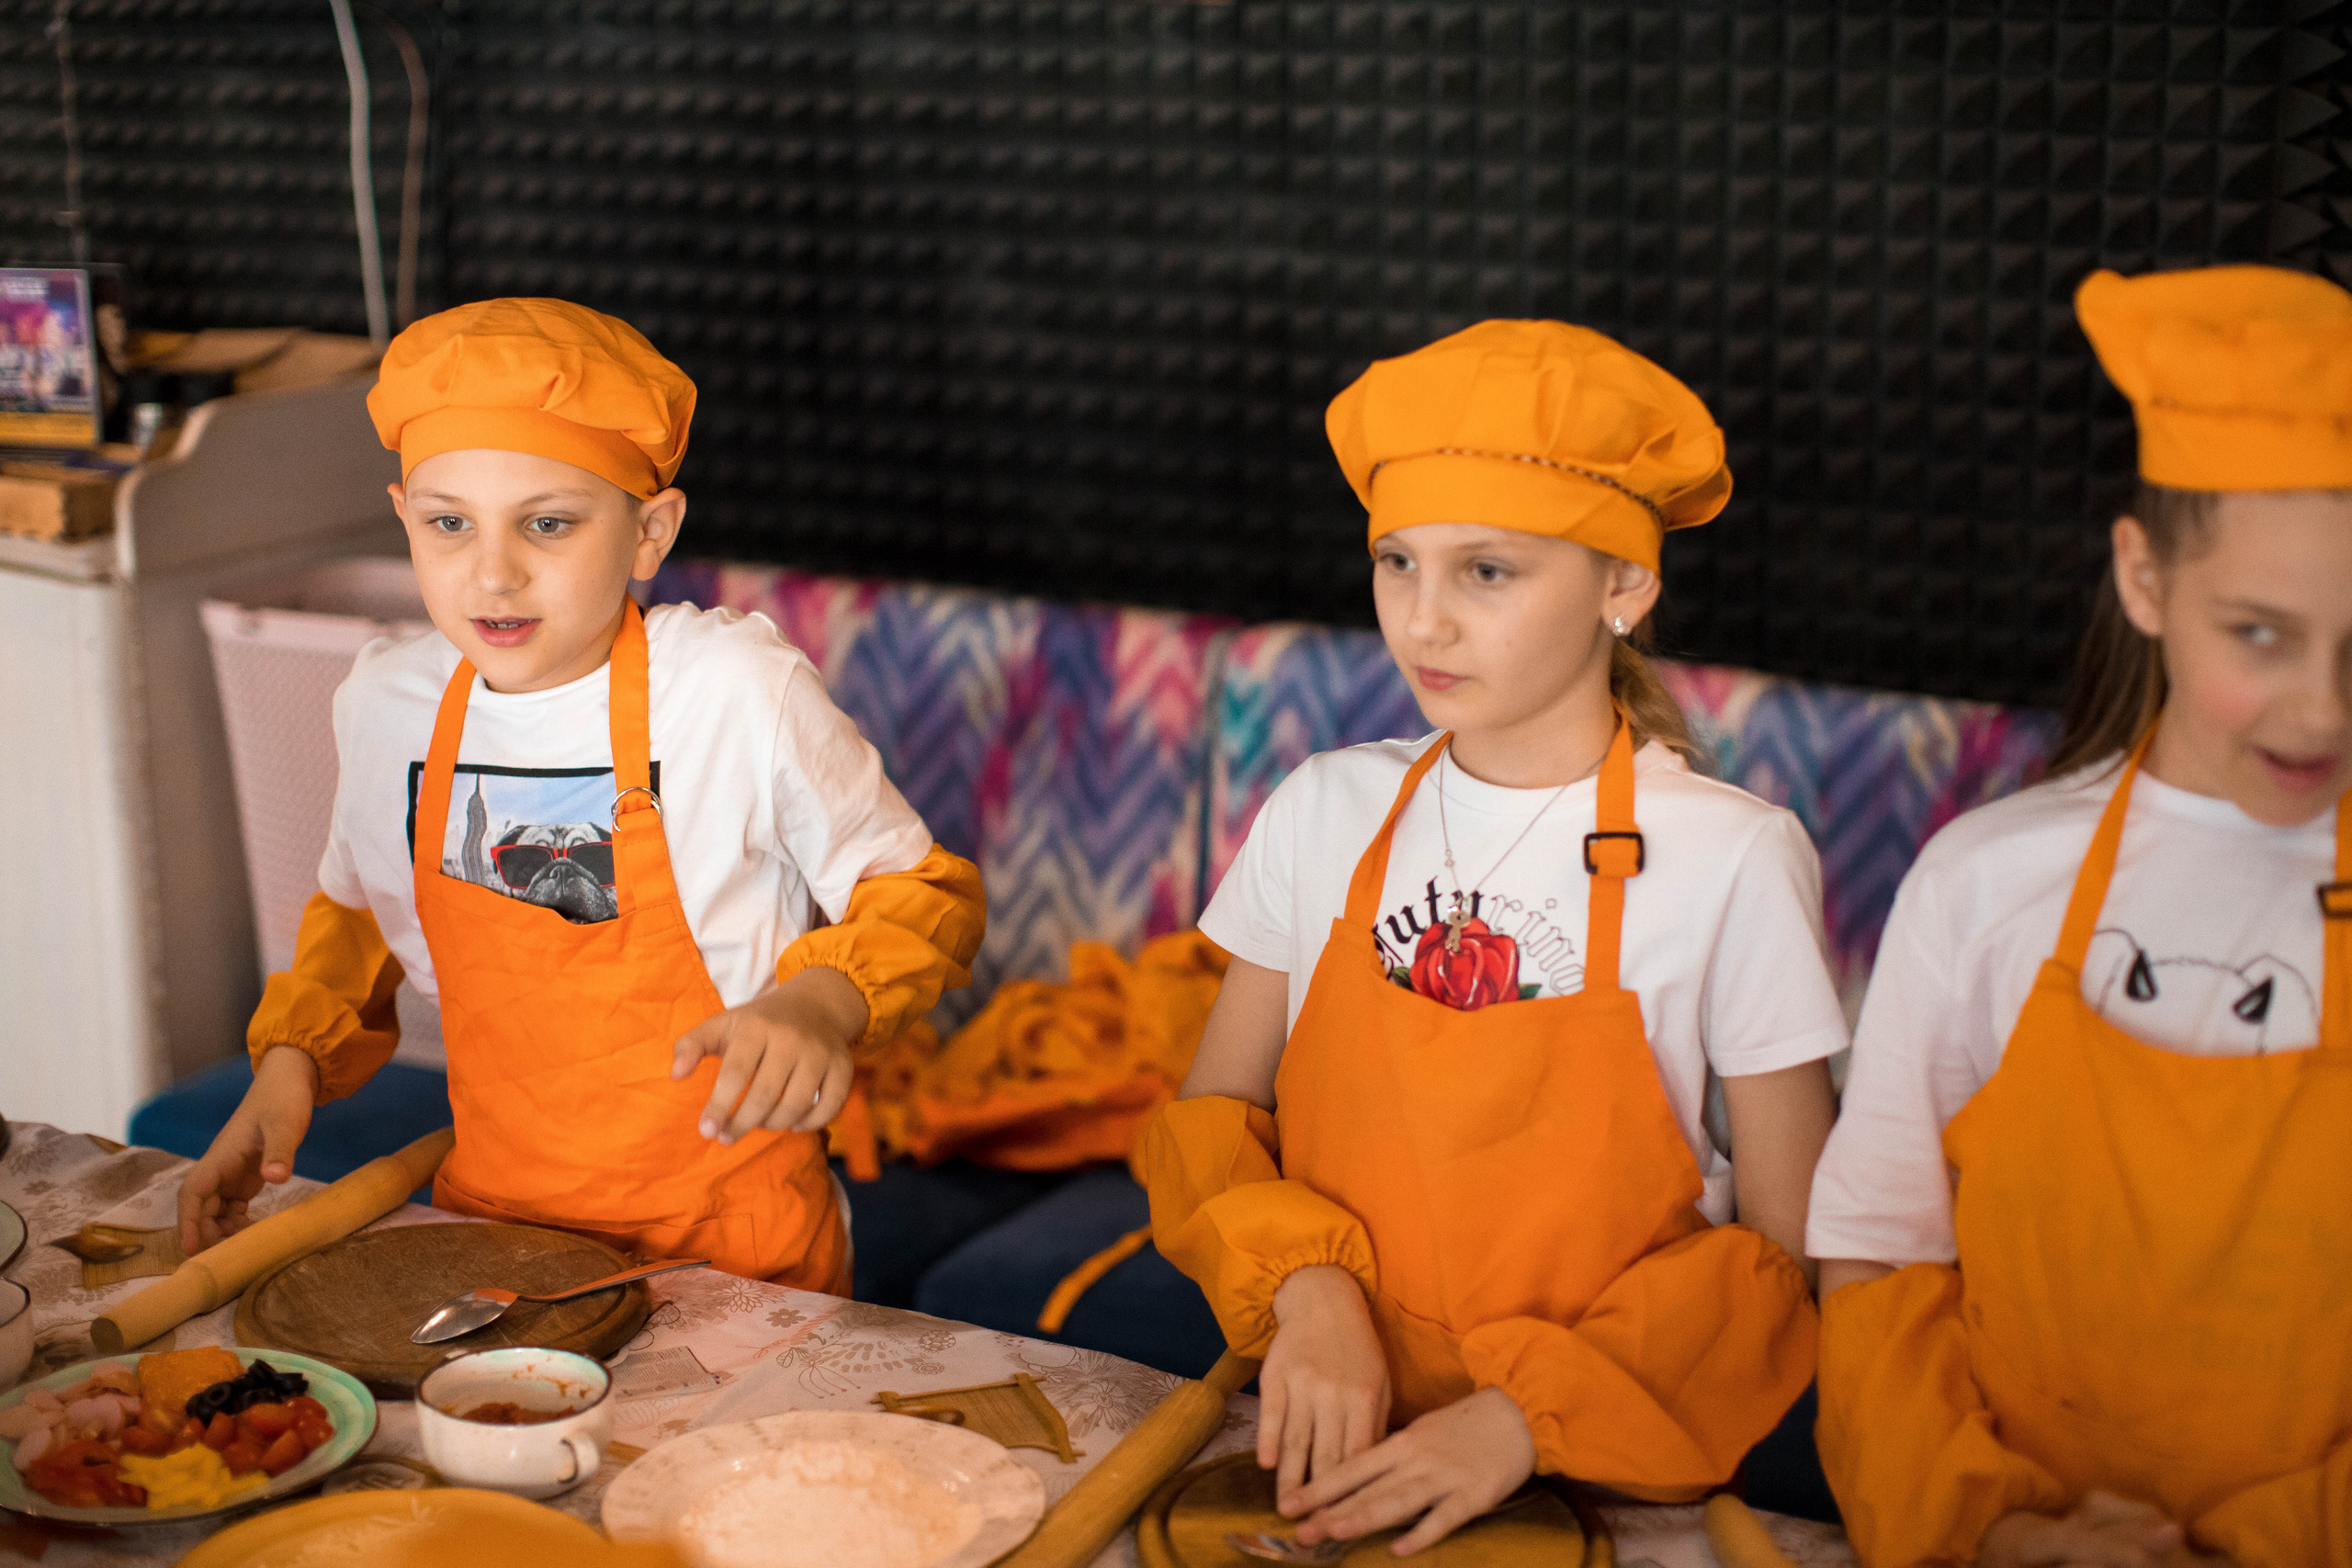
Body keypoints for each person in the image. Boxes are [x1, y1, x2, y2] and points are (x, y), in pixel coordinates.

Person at [1144, 320, 1845, 1553]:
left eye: (1488, 572)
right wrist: (1310, 1294)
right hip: (1330, 1433)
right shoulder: (1323, 807)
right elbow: (1207, 1120)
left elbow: (1789, 1248)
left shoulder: (1736, 856)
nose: (1424, 623)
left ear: (1624, 586)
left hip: (1610, 1452)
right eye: (1397, 561)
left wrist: (1525, 1415)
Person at [175, 299, 984, 1292]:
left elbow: (922, 895)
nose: (494, 570)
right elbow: (357, 920)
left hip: (734, 1250)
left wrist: (821, 1001)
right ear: (403, 520)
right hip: (501, 1243)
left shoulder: (731, 691)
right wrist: (289, 1065)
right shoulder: (388, 704)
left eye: (547, 523)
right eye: (448, 524)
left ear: (650, 531)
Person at [1809, 264, 2352, 1568]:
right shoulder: (1983, 883)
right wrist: (1994, 1526)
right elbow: (1877, 1264)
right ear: (2146, 578)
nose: (2323, 709)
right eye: (2261, 635)